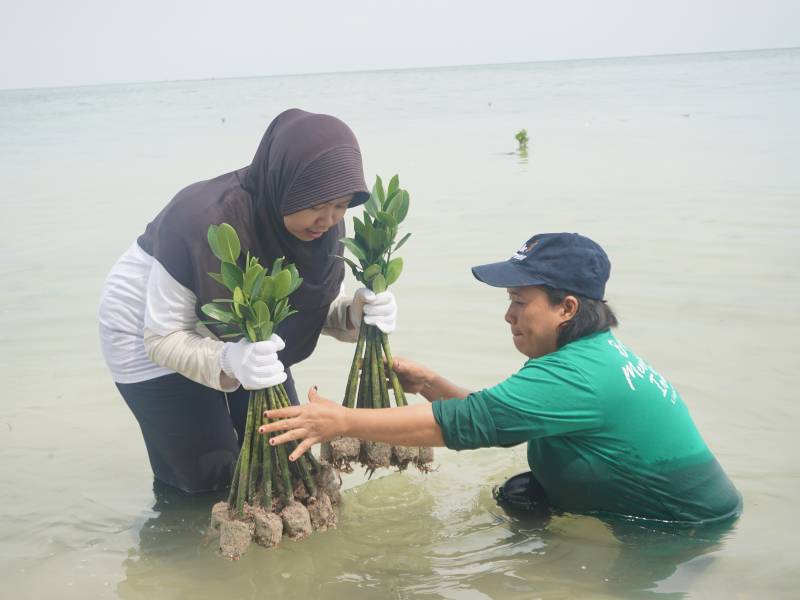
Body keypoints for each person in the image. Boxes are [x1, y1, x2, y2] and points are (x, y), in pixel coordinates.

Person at [261, 232, 742, 525]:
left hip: (681, 526)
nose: (508, 316)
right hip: (674, 505)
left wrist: (340, 421)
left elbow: (467, 425)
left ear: (566, 307)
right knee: (518, 497)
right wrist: (430, 382)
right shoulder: (592, 353)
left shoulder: (574, 376)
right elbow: (501, 416)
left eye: (519, 300)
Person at [98, 109, 398, 494]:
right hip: (146, 327)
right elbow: (162, 339)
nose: (328, 219)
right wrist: (228, 361)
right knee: (208, 477)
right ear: (284, 186)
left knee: (285, 456)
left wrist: (355, 313)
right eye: (316, 205)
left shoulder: (321, 226)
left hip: (242, 330)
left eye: (341, 205)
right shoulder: (200, 219)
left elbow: (306, 309)